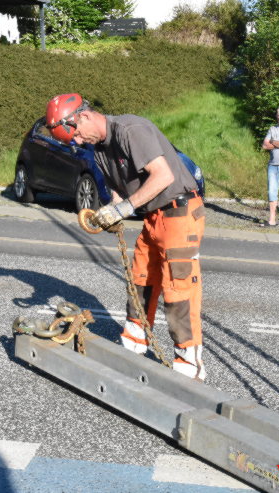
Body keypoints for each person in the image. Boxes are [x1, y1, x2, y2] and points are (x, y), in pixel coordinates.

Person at [45, 94, 207, 380]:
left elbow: (163, 176)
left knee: (178, 288)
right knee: (141, 277)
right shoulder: (98, 151)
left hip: (179, 212)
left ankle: (188, 366)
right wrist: (109, 211)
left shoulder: (131, 131)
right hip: (154, 216)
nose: (79, 142)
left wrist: (124, 208)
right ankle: (134, 345)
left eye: (77, 135)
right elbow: (120, 193)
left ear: (83, 116)